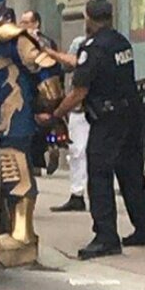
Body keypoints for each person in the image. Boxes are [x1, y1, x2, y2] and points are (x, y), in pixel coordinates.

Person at [45, 0, 145, 259]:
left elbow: (79, 91)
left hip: (108, 119)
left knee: (99, 175)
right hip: (130, 114)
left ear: (88, 18)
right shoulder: (121, 42)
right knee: (131, 173)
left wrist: (56, 114)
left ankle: (106, 237)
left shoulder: (93, 47)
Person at [0, 0, 64, 268]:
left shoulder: (15, 38)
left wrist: (48, 101)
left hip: (14, 111)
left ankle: (23, 234)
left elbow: (44, 65)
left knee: (14, 169)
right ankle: (1, 227)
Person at [46, 35, 90, 213]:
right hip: (78, 109)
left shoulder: (93, 47)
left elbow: (72, 63)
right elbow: (67, 66)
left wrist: (50, 53)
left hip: (90, 107)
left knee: (86, 152)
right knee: (77, 152)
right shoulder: (79, 43)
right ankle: (77, 193)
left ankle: (88, 193)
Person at [20, 9, 60, 175]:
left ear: (36, 23)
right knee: (46, 123)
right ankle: (51, 145)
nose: (23, 26)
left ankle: (37, 159)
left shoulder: (36, 43)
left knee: (33, 122)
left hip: (37, 88)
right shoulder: (47, 42)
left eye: (26, 22)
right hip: (47, 88)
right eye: (21, 22)